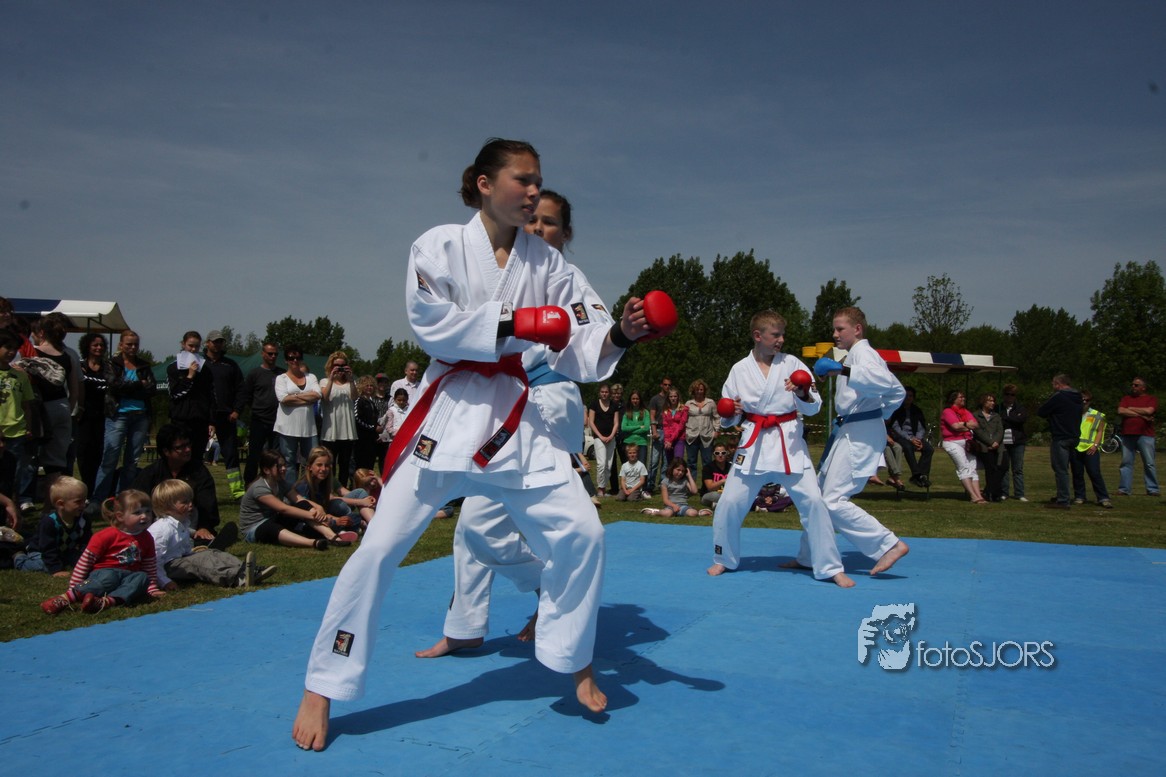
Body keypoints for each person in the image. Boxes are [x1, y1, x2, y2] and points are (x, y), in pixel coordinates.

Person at [293, 139, 674, 751]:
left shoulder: (550, 265)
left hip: (518, 417)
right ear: (483, 184)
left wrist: (622, 335)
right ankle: (324, 683)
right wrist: (517, 323)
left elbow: (583, 340)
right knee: (379, 548)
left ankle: (572, 657)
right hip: (448, 411)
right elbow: (431, 323)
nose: (533, 191)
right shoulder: (438, 245)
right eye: (523, 179)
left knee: (583, 533)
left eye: (538, 180)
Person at [707, 310, 853, 587]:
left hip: (789, 444)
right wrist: (731, 412)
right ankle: (723, 558)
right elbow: (729, 414)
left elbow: (814, 407)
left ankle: (830, 566)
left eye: (783, 335)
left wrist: (802, 393)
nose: (781, 340)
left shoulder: (793, 364)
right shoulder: (739, 369)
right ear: (758, 335)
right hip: (753, 445)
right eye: (776, 335)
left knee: (814, 502)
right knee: (729, 503)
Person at [806, 307, 910, 577]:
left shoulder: (864, 353)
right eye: (834, 328)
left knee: (833, 500)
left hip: (860, 433)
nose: (835, 334)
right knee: (817, 495)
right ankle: (810, 555)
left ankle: (889, 545)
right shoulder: (852, 356)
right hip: (849, 429)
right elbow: (894, 392)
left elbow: (891, 386)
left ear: (858, 329)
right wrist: (880, 412)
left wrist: (844, 371)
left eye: (840, 329)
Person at [39, 489, 164, 615]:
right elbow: (86, 560)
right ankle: (66, 598)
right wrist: (74, 586)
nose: (144, 516)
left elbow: (149, 565)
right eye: (137, 512)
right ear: (120, 516)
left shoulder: (147, 538)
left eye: (148, 511)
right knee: (109, 577)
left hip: (130, 576)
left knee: (142, 577)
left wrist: (152, 588)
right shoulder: (106, 535)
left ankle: (105, 602)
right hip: (105, 573)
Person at [149, 479, 276, 588]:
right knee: (201, 562)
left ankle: (246, 569)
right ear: (167, 506)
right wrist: (164, 581)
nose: (190, 505)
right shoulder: (162, 529)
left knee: (212, 553)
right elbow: (154, 560)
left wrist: (194, 552)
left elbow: (183, 548)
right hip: (167, 567)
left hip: (179, 560)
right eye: (184, 502)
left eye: (190, 500)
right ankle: (236, 577)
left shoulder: (181, 524)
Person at [132, 424, 226, 546]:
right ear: (166, 451)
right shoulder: (150, 474)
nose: (187, 450)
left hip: (191, 527)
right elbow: (136, 503)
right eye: (180, 447)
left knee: (202, 540)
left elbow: (207, 504)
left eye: (188, 445)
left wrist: (204, 527)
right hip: (156, 527)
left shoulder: (199, 472)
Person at [240, 449, 354, 549]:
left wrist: (317, 508)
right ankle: (313, 543)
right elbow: (283, 509)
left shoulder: (280, 482)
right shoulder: (259, 488)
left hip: (274, 519)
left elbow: (299, 500)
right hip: (255, 529)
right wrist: (313, 515)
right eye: (279, 466)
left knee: (302, 506)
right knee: (271, 527)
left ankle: (333, 537)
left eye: (284, 465)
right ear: (266, 470)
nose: (284, 468)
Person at [93, 330, 156, 502]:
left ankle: (123, 499)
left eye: (136, 344)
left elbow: (152, 389)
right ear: (121, 345)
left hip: (140, 416)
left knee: (132, 462)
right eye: (129, 344)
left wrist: (129, 388)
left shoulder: (144, 365)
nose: (133, 347)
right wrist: (139, 384)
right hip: (118, 415)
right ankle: (99, 499)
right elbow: (114, 385)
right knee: (109, 458)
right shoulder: (111, 364)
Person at [29, 315, 79, 485]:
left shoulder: (32, 353)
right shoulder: (67, 356)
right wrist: (68, 408)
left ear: (41, 332)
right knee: (55, 461)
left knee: (30, 456)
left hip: (38, 409)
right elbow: (74, 390)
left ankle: (25, 497)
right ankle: (51, 500)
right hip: (62, 407)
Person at [14, 475, 91, 575]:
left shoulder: (83, 519)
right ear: (60, 504)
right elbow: (47, 548)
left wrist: (85, 556)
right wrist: (56, 570)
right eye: (78, 502)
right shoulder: (49, 522)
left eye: (84, 501)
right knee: (44, 565)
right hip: (41, 552)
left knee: (82, 561)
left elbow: (86, 541)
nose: (83, 505)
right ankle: (19, 558)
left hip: (65, 551)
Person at [203, 330, 247, 499]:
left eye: (220, 341)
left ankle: (238, 493)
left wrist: (237, 410)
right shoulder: (199, 363)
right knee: (197, 454)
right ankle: (196, 491)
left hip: (227, 416)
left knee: (231, 455)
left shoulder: (230, 365)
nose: (217, 344)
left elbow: (241, 389)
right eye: (215, 341)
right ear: (207, 343)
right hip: (204, 417)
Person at [294, 447, 374, 533]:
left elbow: (342, 491)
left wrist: (366, 498)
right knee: (343, 512)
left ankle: (373, 524)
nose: (323, 469)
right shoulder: (303, 487)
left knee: (360, 492)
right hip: (314, 519)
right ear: (309, 467)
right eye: (319, 465)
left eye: (327, 465)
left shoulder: (326, 480)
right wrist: (337, 519)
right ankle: (357, 524)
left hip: (327, 512)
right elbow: (312, 514)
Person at [274, 344, 321, 486]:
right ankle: (290, 493)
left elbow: (317, 395)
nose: (294, 360)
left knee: (313, 460)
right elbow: (283, 399)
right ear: (286, 360)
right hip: (287, 428)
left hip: (308, 428)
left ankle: (310, 490)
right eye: (291, 358)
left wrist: (294, 396)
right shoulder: (281, 378)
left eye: (298, 357)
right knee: (289, 462)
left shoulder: (311, 377)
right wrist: (307, 398)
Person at [0, 329, 36, 512]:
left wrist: (28, 427)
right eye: (7, 347)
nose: (11, 352)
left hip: (17, 432)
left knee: (13, 477)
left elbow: (26, 405)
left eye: (14, 349)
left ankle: (12, 516)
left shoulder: (20, 375)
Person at [1037, 374, 1084, 509]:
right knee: (1074, 468)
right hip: (1074, 436)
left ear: (1059, 384)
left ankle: (1063, 499)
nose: (1053, 386)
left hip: (1061, 436)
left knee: (1060, 469)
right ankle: (1070, 495)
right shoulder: (1078, 397)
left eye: (1053, 384)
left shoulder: (1059, 397)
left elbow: (1042, 411)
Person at [167, 331, 214, 464]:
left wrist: (211, 421)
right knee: (180, 456)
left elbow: (210, 396)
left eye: (196, 346)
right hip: (180, 419)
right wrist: (189, 377)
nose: (193, 349)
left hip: (200, 420)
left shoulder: (205, 369)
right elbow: (174, 394)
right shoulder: (173, 368)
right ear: (183, 344)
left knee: (197, 457)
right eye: (190, 346)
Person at [243, 342, 282, 484]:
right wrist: (256, 408)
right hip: (259, 419)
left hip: (277, 420)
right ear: (263, 354)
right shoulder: (254, 373)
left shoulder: (282, 373)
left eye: (275, 354)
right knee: (254, 455)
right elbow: (247, 396)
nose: (273, 356)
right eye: (270, 353)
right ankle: (249, 484)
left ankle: (273, 484)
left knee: (275, 456)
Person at [75, 333, 108, 494]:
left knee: (100, 453)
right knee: (83, 452)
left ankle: (97, 488)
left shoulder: (108, 368)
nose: (99, 348)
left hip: (104, 415)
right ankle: (86, 487)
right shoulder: (80, 366)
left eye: (101, 345)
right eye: (95, 345)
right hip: (84, 415)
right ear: (87, 347)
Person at [319, 351, 358, 486]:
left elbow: (354, 396)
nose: (340, 369)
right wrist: (331, 378)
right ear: (331, 366)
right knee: (330, 463)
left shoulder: (350, 383)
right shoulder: (324, 381)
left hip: (347, 429)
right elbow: (325, 397)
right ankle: (328, 489)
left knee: (345, 463)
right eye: (336, 365)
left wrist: (351, 379)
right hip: (331, 430)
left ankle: (343, 488)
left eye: (343, 366)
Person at [940, 390, 986, 504]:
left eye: (963, 397)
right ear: (953, 399)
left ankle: (978, 495)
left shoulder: (965, 411)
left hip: (968, 442)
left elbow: (975, 424)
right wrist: (966, 424)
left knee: (972, 467)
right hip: (953, 442)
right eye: (960, 397)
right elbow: (955, 426)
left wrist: (963, 425)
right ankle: (973, 496)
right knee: (963, 467)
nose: (963, 399)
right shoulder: (947, 411)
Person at [1117, 377, 1159, 497]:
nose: (1133, 387)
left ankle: (1152, 489)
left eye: (1136, 385)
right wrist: (1142, 415)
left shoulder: (1151, 399)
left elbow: (1149, 411)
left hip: (1146, 435)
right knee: (1126, 462)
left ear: (1143, 387)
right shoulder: (1126, 398)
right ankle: (1124, 489)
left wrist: (1130, 409)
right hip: (1127, 434)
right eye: (1132, 385)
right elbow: (1121, 411)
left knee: (1149, 463)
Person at [1071, 391, 1114, 508]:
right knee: (1077, 473)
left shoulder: (1097, 415)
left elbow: (1100, 431)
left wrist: (1095, 445)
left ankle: (1103, 497)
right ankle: (1080, 496)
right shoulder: (1072, 413)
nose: (1084, 402)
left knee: (1094, 473)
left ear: (1090, 401)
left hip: (1090, 448)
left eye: (1087, 400)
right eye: (1082, 399)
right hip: (1075, 447)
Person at [887, 385, 933, 488]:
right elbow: (895, 427)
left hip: (916, 437)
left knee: (929, 449)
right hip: (901, 437)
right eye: (906, 395)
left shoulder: (917, 410)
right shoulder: (896, 409)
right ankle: (916, 474)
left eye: (910, 396)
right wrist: (910, 439)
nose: (908, 398)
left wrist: (918, 439)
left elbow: (921, 427)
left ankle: (921, 475)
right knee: (908, 447)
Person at [642, 458, 711, 517]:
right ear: (672, 469)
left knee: (693, 513)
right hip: (670, 506)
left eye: (683, 471)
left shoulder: (684, 481)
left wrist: (689, 475)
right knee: (667, 514)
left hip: (683, 505)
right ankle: (655, 512)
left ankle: (699, 512)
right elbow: (665, 500)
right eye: (678, 470)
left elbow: (694, 491)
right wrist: (673, 506)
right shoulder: (665, 482)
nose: (680, 473)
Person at [971, 392, 1005, 502]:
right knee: (991, 468)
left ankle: (990, 490)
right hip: (983, 446)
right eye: (990, 401)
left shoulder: (996, 416)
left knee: (1002, 466)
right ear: (983, 402)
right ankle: (992, 493)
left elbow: (1000, 430)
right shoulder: (976, 415)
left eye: (993, 401)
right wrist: (990, 442)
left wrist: (996, 442)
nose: (992, 403)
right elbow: (978, 431)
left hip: (998, 446)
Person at [587, 384, 619, 496]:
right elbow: (591, 422)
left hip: (611, 438)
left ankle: (604, 487)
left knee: (608, 465)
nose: (604, 394)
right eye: (602, 392)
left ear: (609, 393)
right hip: (599, 438)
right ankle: (601, 489)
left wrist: (611, 436)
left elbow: (616, 423)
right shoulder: (594, 404)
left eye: (606, 392)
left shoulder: (614, 405)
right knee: (601, 464)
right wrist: (600, 436)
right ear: (599, 393)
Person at [684, 379, 717, 484]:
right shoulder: (688, 403)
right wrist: (685, 432)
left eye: (701, 389)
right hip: (691, 436)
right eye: (697, 389)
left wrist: (716, 430)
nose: (699, 391)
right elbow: (683, 419)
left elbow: (716, 417)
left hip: (707, 436)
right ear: (693, 390)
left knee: (707, 462)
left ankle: (706, 486)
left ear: (704, 390)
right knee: (691, 462)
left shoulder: (710, 402)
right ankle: (692, 485)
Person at [999, 384, 1028, 501]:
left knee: (1017, 469)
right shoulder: (998, 408)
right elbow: (998, 421)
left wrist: (1006, 418)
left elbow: (1021, 420)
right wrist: (1011, 419)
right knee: (1004, 468)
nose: (1009, 397)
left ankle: (1019, 493)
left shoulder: (1020, 408)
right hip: (1003, 441)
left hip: (1018, 442)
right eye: (1007, 394)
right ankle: (1004, 492)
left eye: (1012, 395)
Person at [645, 377, 672, 496]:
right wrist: (654, 431)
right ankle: (649, 485)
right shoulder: (655, 399)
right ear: (661, 385)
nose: (667, 387)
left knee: (666, 461)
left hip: (669, 431)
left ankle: (663, 485)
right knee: (654, 461)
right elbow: (652, 415)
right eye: (665, 384)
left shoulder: (672, 398)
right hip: (659, 430)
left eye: (669, 385)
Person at [353, 376, 381, 472]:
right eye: (367, 385)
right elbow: (357, 418)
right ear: (362, 387)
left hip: (371, 440)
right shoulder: (359, 401)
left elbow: (374, 419)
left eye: (371, 386)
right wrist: (373, 428)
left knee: (370, 465)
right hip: (361, 440)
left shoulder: (372, 402)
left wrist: (377, 429)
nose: (369, 388)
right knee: (361, 465)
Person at [620, 389, 651, 465]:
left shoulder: (645, 412)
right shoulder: (627, 413)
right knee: (629, 466)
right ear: (630, 400)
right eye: (633, 399)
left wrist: (630, 430)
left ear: (640, 400)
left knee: (641, 466)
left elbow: (646, 428)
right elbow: (623, 428)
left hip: (641, 442)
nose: (635, 401)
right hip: (628, 442)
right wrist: (639, 426)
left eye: (637, 399)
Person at [701, 442, 733, 509]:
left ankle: (718, 505)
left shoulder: (731, 467)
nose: (720, 455)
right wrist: (722, 481)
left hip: (727, 493)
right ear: (713, 454)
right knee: (718, 495)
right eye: (717, 453)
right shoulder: (708, 468)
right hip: (711, 494)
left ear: (727, 453)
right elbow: (710, 487)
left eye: (723, 453)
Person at [661, 387, 688, 465]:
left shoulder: (684, 409)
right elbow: (665, 426)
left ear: (678, 397)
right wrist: (667, 440)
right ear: (668, 398)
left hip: (679, 438)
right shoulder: (665, 410)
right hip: (668, 440)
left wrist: (671, 440)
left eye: (675, 396)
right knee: (669, 463)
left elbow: (681, 426)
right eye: (671, 396)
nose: (673, 398)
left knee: (678, 461)